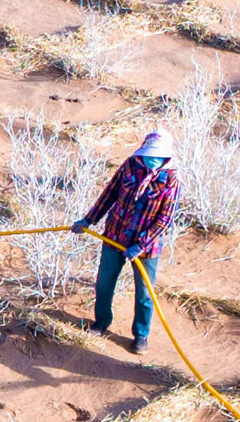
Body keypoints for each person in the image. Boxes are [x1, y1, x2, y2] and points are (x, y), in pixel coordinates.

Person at [76, 131, 178, 350]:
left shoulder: (171, 179)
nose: (151, 159)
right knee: (104, 284)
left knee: (144, 293)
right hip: (114, 236)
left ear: (165, 159)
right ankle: (101, 322)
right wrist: (88, 220)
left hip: (146, 249)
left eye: (157, 156)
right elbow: (109, 194)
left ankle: (141, 335)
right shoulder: (130, 165)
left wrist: (141, 245)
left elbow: (165, 218)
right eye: (149, 154)